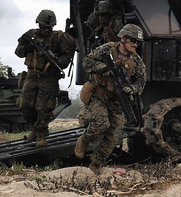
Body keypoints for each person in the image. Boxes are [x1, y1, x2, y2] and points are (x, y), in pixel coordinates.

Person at [75, 23, 147, 173]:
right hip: (100, 96)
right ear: (124, 39)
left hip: (118, 101)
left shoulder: (137, 61)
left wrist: (132, 88)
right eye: (133, 41)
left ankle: (95, 164)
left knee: (114, 136)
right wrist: (101, 68)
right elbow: (86, 62)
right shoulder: (107, 49)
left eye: (138, 42)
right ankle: (83, 140)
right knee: (100, 124)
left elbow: (141, 81)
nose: (135, 44)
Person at [15, 9, 76, 146]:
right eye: (44, 27)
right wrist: (29, 47)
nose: (46, 30)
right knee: (25, 105)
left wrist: (54, 61)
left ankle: (41, 136)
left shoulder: (58, 38)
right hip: (31, 75)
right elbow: (18, 52)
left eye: (49, 27)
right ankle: (35, 129)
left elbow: (66, 59)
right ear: (39, 24)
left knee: (42, 108)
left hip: (49, 77)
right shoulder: (31, 35)